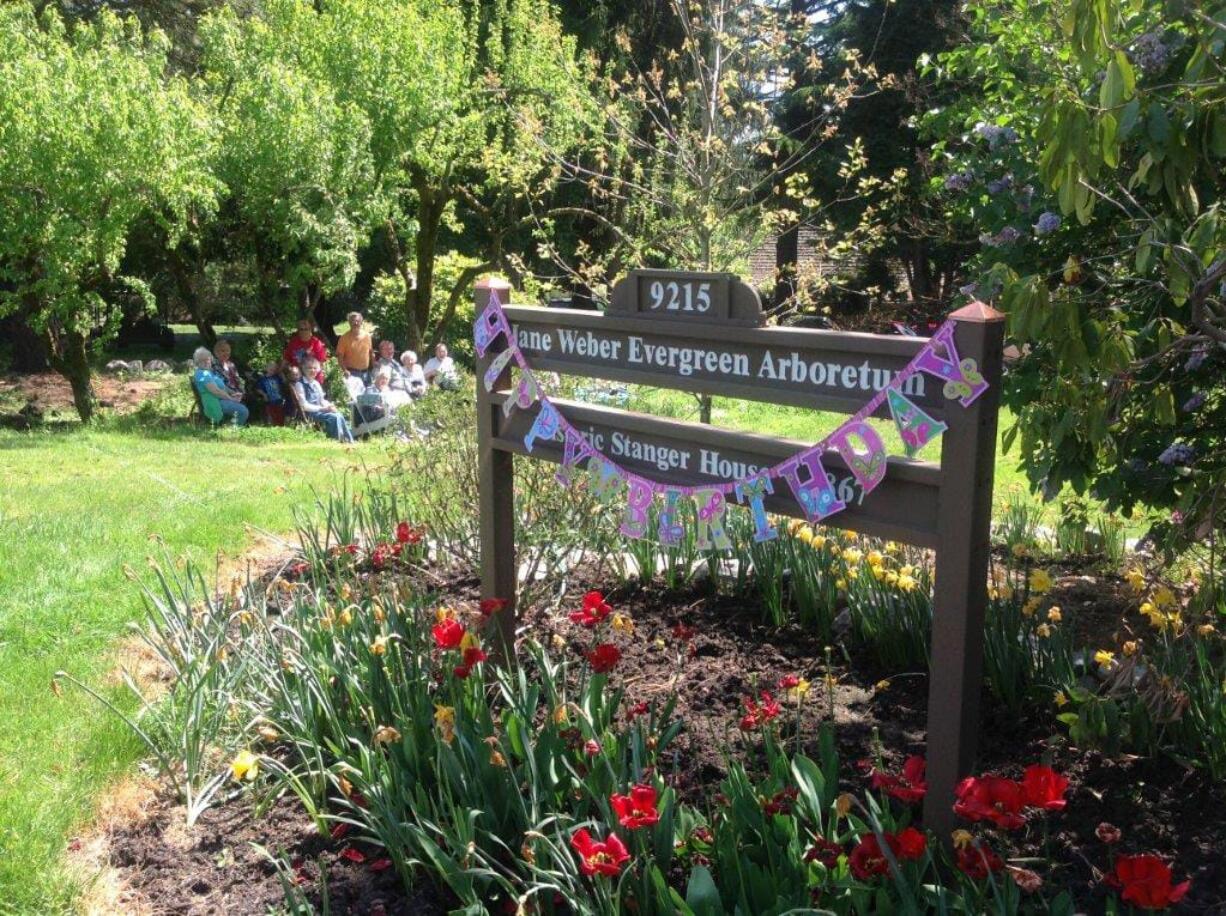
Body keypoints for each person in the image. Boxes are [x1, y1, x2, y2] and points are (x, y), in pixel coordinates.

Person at [292, 355, 354, 442]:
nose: (312, 370)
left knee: (339, 414)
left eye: (314, 368)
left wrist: (330, 406)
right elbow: (304, 405)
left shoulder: (316, 383)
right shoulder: (300, 384)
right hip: (310, 413)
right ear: (303, 369)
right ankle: (335, 441)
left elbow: (322, 400)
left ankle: (349, 441)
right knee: (334, 417)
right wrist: (323, 409)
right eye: (309, 368)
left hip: (320, 410)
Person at [192, 347, 247, 426]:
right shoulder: (202, 374)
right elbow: (216, 391)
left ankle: (229, 427)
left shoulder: (209, 372)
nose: (206, 362)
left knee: (243, 404)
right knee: (243, 411)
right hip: (214, 402)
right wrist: (231, 399)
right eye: (202, 360)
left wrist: (234, 393)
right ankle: (231, 430)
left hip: (220, 399)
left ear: (210, 360)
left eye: (207, 359)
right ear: (197, 362)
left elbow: (223, 387)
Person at [336, 311, 373, 378]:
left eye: (358, 321)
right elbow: (340, 357)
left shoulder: (367, 336)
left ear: (361, 322)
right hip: (351, 373)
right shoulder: (344, 338)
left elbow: (371, 353)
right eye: (353, 321)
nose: (356, 323)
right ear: (349, 322)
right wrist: (345, 370)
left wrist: (373, 368)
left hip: (366, 373)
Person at [256, 361, 287, 426]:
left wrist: (281, 374)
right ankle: (271, 425)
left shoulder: (277, 377)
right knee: (270, 413)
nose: (273, 370)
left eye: (275, 369)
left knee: (280, 413)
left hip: (279, 399)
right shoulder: (262, 379)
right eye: (271, 369)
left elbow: (284, 382)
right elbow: (258, 389)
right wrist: (264, 395)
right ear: (266, 368)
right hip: (269, 400)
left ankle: (281, 426)